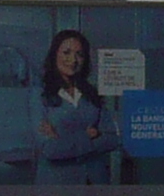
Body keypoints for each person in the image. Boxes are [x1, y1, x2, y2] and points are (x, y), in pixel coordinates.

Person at [36, 30, 121, 182]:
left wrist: (61, 140)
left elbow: (113, 139)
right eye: (66, 52)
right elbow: (49, 150)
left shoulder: (92, 94)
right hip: (57, 188)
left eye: (79, 54)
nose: (73, 60)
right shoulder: (39, 96)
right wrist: (90, 136)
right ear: (54, 55)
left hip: (96, 184)